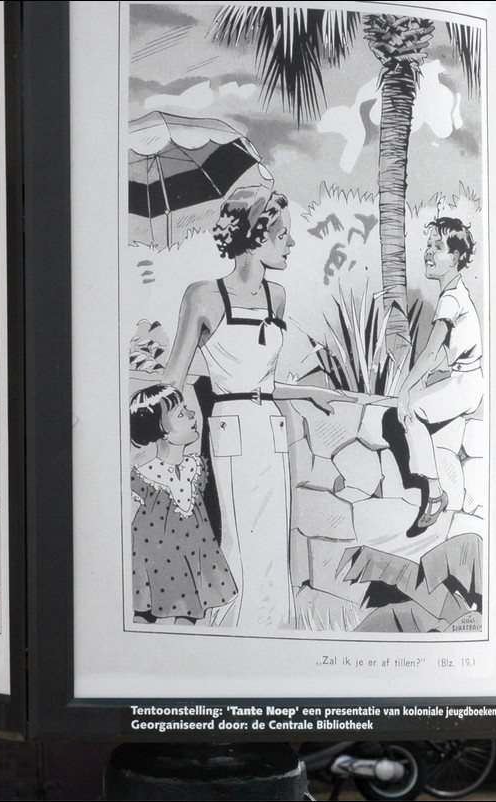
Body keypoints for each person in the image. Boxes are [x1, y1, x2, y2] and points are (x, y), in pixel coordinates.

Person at [162, 185, 347, 628]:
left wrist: (309, 393)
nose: (292, 244)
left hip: (270, 428)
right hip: (229, 429)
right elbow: (173, 379)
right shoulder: (202, 296)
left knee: (271, 541)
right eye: (283, 235)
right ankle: (237, 634)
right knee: (239, 539)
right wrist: (168, 441)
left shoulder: (277, 297)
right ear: (256, 237)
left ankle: (276, 631)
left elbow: (263, 384)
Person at [396, 217, 484, 535]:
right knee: (417, 403)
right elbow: (444, 357)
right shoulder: (457, 294)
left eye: (437, 247)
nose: (428, 253)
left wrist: (406, 390)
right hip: (464, 381)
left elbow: (433, 353)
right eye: (428, 246)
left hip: (466, 384)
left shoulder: (450, 299)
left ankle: (434, 495)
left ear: (456, 256)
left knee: (411, 410)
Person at [129, 384, 237, 625]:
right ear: (162, 430)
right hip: (155, 561)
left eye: (188, 409)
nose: (191, 415)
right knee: (143, 615)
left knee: (190, 614)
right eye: (181, 413)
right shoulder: (144, 474)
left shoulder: (197, 468)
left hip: (194, 557)